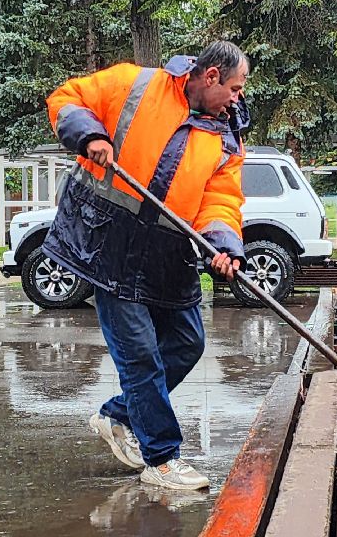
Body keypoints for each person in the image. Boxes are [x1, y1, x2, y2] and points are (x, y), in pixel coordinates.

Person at [42, 41, 251, 491]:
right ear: (210, 76)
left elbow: (221, 201)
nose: (239, 97)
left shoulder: (226, 137)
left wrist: (223, 246)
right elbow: (67, 99)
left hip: (166, 256)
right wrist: (92, 136)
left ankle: (117, 415)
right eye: (235, 87)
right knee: (139, 356)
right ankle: (162, 458)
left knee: (187, 343)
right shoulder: (134, 84)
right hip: (107, 245)